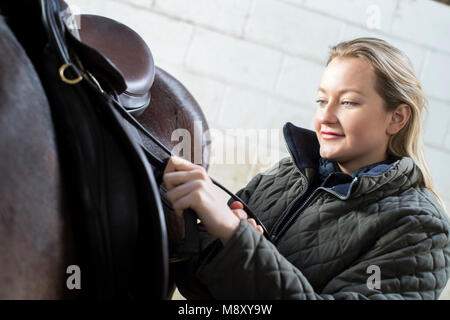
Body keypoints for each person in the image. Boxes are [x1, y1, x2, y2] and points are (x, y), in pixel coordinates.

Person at [163, 38, 450, 299]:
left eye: (348, 102)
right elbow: (195, 283)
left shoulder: (420, 227)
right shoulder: (288, 173)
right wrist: (226, 237)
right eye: (322, 100)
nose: (325, 116)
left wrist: (233, 235)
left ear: (396, 118)